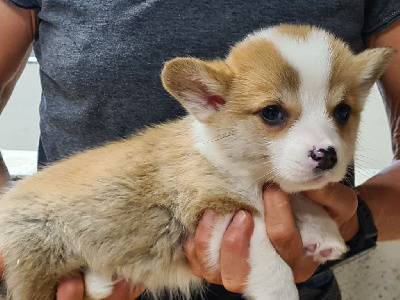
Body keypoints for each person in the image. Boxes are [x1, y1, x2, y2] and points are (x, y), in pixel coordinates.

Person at [0, 0, 399, 299]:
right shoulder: (203, 152)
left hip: (308, 283)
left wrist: (355, 217)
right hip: (70, 251)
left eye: (341, 111)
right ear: (208, 100)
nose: (324, 143)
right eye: (275, 113)